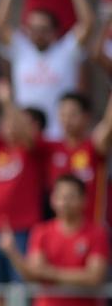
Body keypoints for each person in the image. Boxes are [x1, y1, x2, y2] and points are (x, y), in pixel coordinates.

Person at [0, 174, 110, 306]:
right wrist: (13, 253)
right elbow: (33, 274)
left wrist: (50, 273)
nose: (65, 202)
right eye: (60, 196)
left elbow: (94, 277)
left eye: (71, 196)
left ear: (84, 200)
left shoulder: (97, 233)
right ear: (52, 200)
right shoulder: (42, 232)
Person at [0, 0, 94, 141]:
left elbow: (88, 24)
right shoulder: (20, 49)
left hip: (60, 136)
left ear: (55, 32)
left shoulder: (66, 50)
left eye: (43, 29)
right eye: (33, 29)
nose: (38, 34)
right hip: (27, 137)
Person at [0, 75, 45, 285]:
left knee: (21, 285)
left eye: (14, 122)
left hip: (24, 227)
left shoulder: (32, 150)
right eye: (5, 122)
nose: (9, 126)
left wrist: (6, 101)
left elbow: (24, 133)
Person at [45, 92, 112, 228]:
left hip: (95, 228)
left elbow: (108, 126)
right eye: (63, 114)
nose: (67, 120)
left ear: (86, 117)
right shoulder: (50, 148)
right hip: (63, 233)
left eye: (72, 114)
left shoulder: (94, 146)